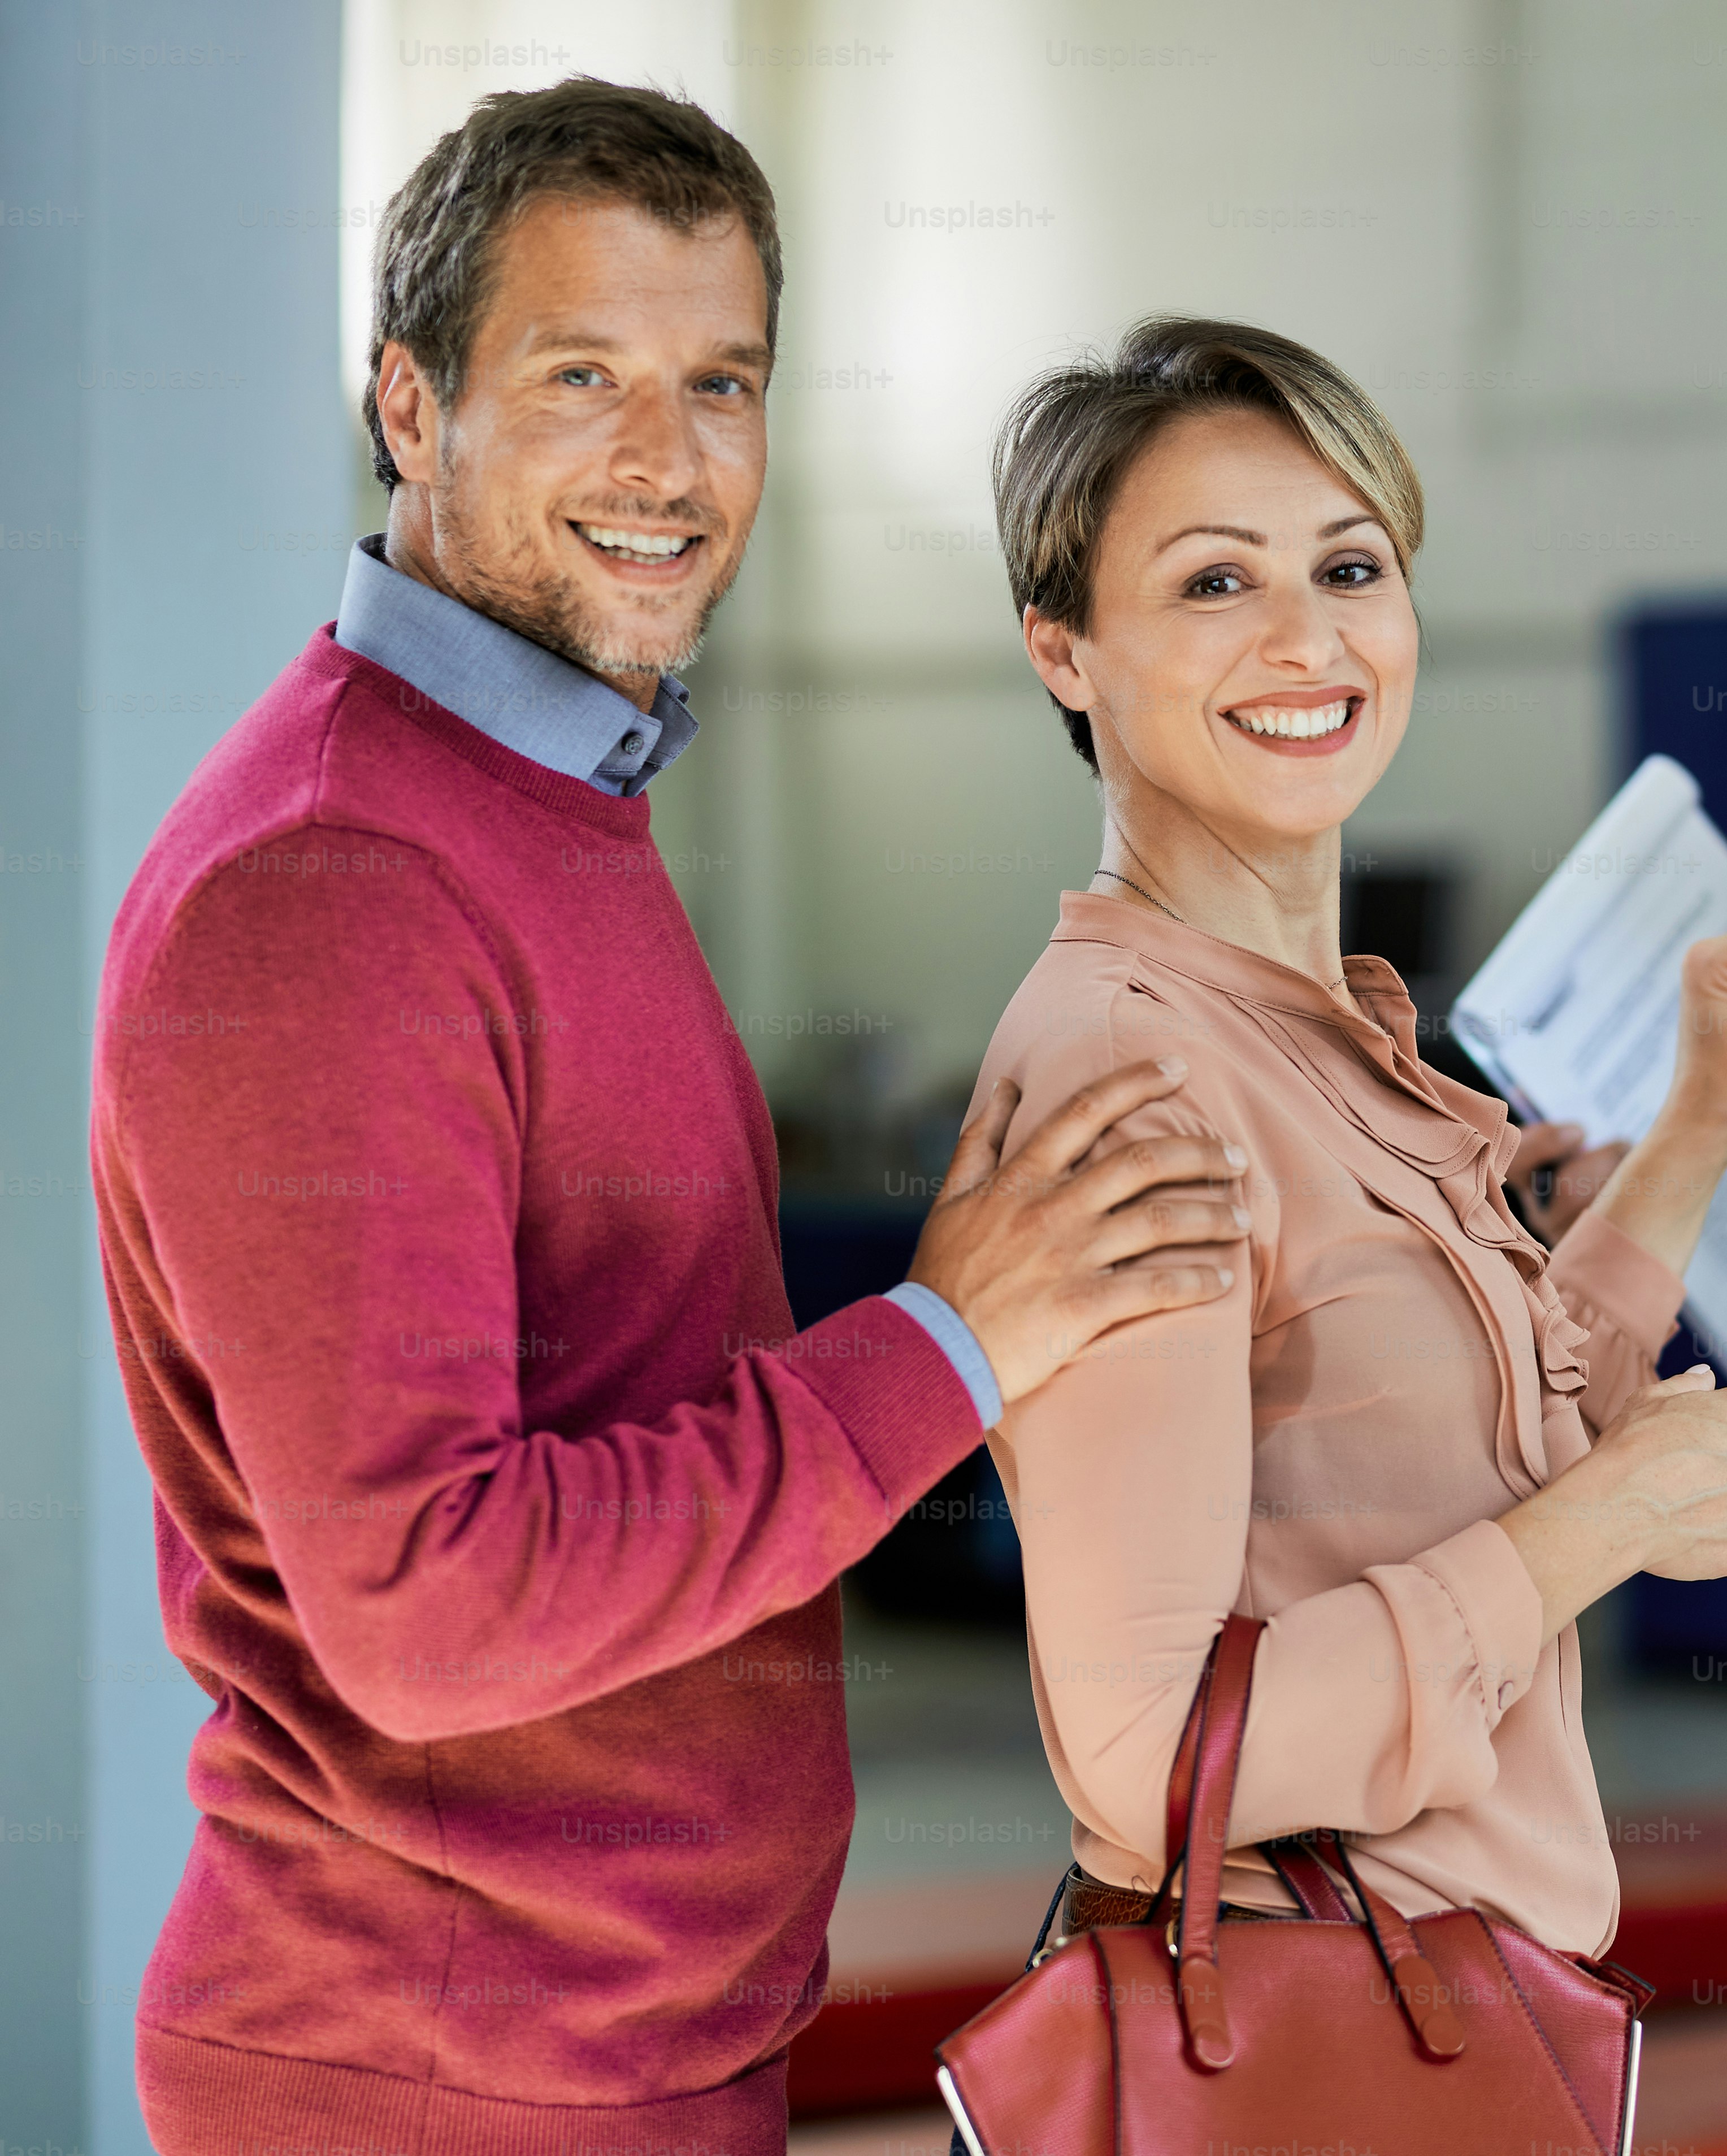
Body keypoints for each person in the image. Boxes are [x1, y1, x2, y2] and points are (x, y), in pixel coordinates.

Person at [92, 81, 1246, 2156]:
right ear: (409, 409)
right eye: (582, 376)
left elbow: (645, 1399)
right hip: (440, 2079)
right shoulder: (327, 889)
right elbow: (437, 1606)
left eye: (722, 381)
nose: (668, 459)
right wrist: (944, 1347)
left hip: (621, 2051)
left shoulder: (550, 800)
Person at [965, 318, 1727, 1967]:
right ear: (1065, 650)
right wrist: (1616, 1525)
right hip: (1316, 2037)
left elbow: (1458, 1455)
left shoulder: (1321, 1033)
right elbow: (1156, 1755)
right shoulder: (1136, 1079)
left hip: (1465, 1999)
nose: (1310, 642)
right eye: (1216, 584)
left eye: (1354, 567)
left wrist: (1705, 1114)